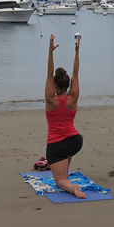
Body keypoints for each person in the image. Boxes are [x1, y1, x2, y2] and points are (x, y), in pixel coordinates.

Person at [45, 34, 86, 199]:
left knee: (60, 180)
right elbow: (76, 73)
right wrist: (77, 51)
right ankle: (65, 173)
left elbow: (49, 73)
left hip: (57, 145)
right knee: (65, 154)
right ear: (67, 85)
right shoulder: (73, 98)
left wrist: (50, 52)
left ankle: (71, 187)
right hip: (75, 141)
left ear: (55, 85)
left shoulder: (51, 100)